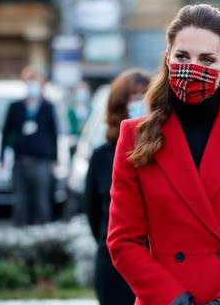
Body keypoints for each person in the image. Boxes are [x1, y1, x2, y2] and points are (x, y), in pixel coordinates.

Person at [107, 4, 220, 305]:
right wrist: (172, 298)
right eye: (182, 57)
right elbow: (123, 240)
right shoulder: (135, 135)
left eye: (207, 59)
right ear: (167, 60)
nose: (192, 66)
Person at [84, 69, 150, 305]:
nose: (139, 104)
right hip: (114, 268)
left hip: (158, 265)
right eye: (133, 98)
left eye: (145, 97)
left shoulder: (166, 152)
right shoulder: (102, 156)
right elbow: (93, 213)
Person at [0, 66, 58, 226]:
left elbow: (53, 133)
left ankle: (43, 235)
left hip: (42, 161)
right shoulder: (16, 106)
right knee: (20, 200)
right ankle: (20, 235)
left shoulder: (47, 107)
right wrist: (3, 156)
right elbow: (6, 132)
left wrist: (54, 158)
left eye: (36, 81)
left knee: (42, 200)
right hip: (20, 159)